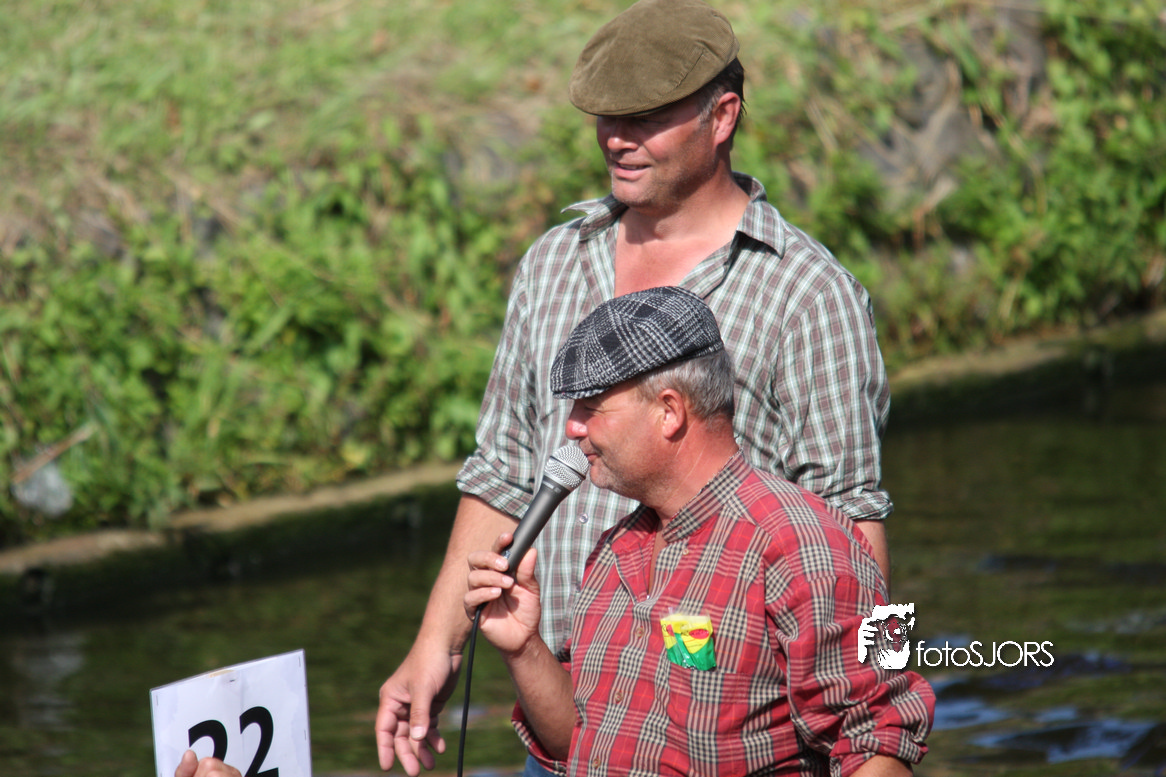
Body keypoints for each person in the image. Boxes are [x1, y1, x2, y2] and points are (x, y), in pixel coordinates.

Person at [377, 1, 895, 773]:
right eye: (607, 116)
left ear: (723, 116)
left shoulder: (809, 293)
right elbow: (503, 472)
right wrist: (435, 644)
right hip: (556, 704)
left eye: (646, 118)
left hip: (725, 726)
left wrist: (867, 735)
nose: (617, 138)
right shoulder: (554, 261)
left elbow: (854, 527)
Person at [466, 287, 933, 776]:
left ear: (669, 411)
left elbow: (879, 746)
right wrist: (523, 647)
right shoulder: (613, 550)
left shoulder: (807, 542)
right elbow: (579, 744)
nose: (572, 428)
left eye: (591, 407)